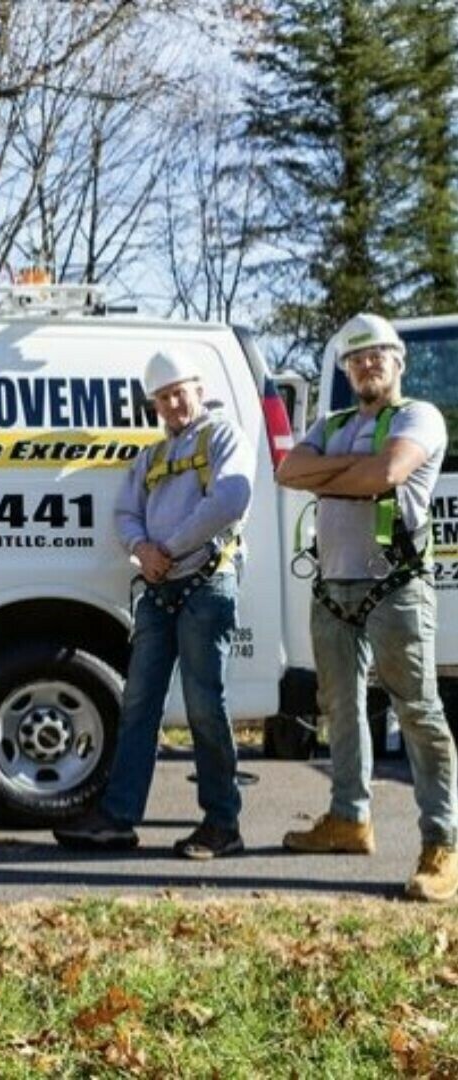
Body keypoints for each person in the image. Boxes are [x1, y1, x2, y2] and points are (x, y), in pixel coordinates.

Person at [277, 312, 457, 903]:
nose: (367, 364)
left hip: (394, 585)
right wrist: (352, 477)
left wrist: (336, 476)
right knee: (342, 707)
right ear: (347, 369)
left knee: (417, 711)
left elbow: (388, 472)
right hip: (333, 588)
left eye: (377, 355)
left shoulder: (418, 416)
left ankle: (442, 845)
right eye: (357, 359)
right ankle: (349, 820)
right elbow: (288, 470)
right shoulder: (331, 423)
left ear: (398, 362)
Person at [54, 348, 254, 858]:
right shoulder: (151, 457)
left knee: (206, 706)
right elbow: (124, 512)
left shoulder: (222, 437)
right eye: (162, 398)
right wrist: (141, 549)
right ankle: (118, 817)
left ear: (197, 387)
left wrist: (167, 549)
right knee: (138, 705)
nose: (171, 404)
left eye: (178, 393)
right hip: (159, 591)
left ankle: (222, 823)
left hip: (206, 586)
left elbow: (230, 501)